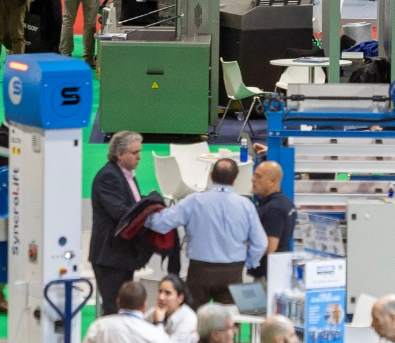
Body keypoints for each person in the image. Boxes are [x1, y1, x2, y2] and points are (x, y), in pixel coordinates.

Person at [147, 158, 269, 308]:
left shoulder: (194, 201)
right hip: (233, 271)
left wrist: (140, 213)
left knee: (193, 317)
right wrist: (248, 262)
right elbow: (261, 243)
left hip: (200, 271)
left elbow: (161, 223)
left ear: (211, 175)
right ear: (234, 180)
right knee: (227, 318)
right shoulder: (246, 206)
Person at [89, 131, 152, 314]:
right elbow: (121, 212)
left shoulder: (126, 174)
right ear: (119, 154)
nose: (139, 157)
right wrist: (148, 211)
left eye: (140, 152)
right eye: (135, 152)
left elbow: (131, 204)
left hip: (123, 255)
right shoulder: (108, 177)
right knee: (114, 309)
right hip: (110, 257)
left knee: (123, 308)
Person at [250, 161, 295, 281]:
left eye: (258, 176)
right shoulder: (286, 202)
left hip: (268, 275)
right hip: (279, 269)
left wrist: (246, 248)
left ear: (272, 181)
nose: (253, 179)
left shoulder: (273, 209)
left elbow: (270, 247)